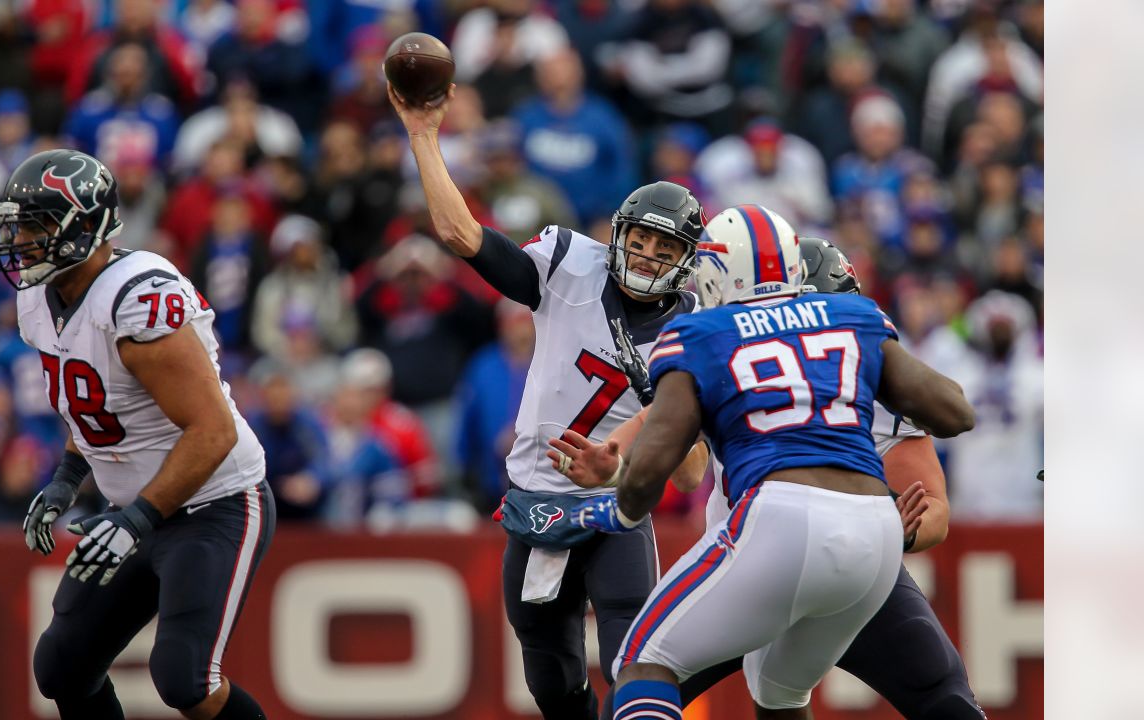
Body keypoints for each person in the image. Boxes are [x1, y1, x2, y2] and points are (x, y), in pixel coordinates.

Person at [552, 237, 987, 718]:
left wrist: (619, 492)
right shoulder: (848, 349)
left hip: (764, 547)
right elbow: (665, 449)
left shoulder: (738, 350)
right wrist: (615, 467)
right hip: (817, 552)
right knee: (788, 696)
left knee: (936, 690)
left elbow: (933, 509)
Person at [389, 82, 707, 719]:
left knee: (633, 672)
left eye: (664, 248)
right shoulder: (571, 264)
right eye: (640, 240)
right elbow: (458, 232)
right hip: (534, 502)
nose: (646, 256)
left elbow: (693, 468)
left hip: (616, 512)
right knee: (553, 684)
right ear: (617, 234)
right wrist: (424, 134)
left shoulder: (695, 328)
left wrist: (619, 461)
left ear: (685, 260)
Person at [0, 148, 272, 720]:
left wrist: (137, 520)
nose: (22, 239)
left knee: (185, 679)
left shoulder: (136, 297)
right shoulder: (39, 301)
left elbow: (212, 430)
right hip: (135, 510)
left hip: (214, 504)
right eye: (19, 224)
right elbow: (92, 405)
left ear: (85, 227)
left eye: (39, 223)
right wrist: (67, 478)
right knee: (62, 666)